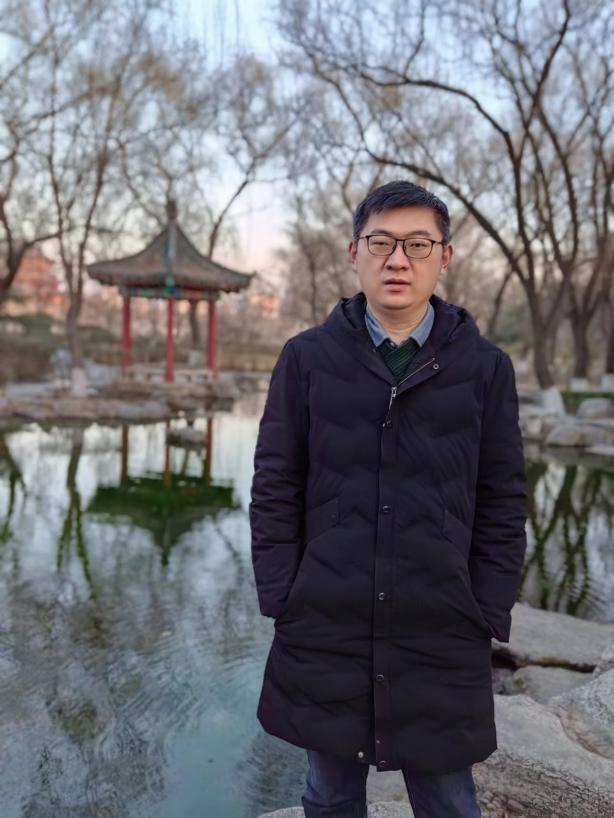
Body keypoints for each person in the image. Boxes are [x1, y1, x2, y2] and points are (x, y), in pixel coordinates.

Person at [249, 180, 528, 818]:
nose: (398, 260)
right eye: (381, 243)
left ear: (444, 257)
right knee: (329, 795)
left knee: (449, 800)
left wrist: (486, 606)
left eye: (417, 244)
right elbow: (274, 486)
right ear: (355, 252)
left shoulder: (485, 369)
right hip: (327, 618)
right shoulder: (307, 359)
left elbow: (503, 499)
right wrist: (282, 594)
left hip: (442, 622)